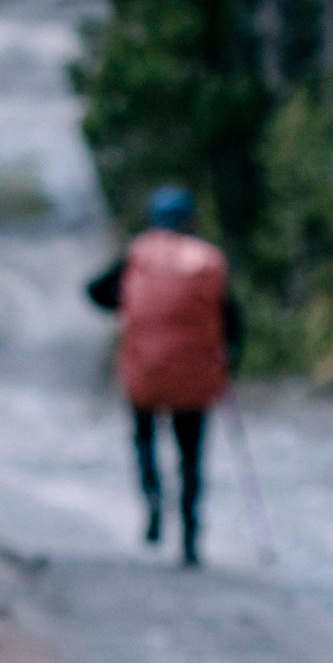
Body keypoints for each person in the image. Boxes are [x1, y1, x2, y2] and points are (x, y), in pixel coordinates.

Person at [86, 186, 242, 566]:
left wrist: (131, 307)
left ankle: (153, 498)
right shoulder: (208, 261)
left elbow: (95, 291)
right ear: (190, 219)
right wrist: (229, 365)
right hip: (195, 377)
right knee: (191, 456)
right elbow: (233, 321)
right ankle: (189, 535)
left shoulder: (138, 254)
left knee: (145, 440)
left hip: (145, 370)